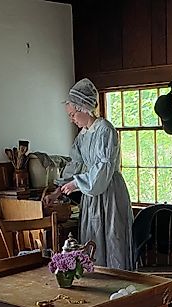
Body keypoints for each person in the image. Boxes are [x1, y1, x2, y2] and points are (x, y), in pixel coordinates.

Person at [43, 78, 134, 270]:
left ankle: (118, 287)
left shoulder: (105, 131)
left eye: (73, 114)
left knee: (112, 238)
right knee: (93, 240)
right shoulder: (83, 135)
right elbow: (75, 165)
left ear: (84, 108)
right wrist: (58, 192)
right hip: (92, 194)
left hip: (108, 192)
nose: (72, 119)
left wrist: (76, 184)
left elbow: (103, 168)